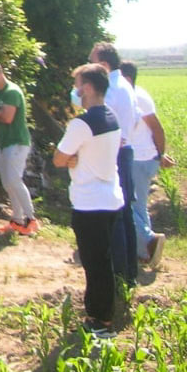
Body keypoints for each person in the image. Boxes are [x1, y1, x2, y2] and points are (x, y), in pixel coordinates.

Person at [53, 63, 124, 337]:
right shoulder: (112, 117)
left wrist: (72, 158)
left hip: (89, 203)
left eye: (78, 84)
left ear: (90, 88)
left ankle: (102, 321)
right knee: (102, 262)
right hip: (110, 199)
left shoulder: (82, 123)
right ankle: (98, 314)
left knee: (96, 266)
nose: (75, 90)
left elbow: (59, 158)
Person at [89, 42, 138, 285]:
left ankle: (118, 273)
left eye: (92, 62)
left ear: (104, 65)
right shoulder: (126, 87)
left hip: (115, 153)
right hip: (126, 151)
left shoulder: (111, 89)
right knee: (125, 213)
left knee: (116, 214)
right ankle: (130, 271)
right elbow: (135, 122)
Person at [119, 60, 169, 270]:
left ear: (127, 78)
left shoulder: (134, 97)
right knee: (139, 208)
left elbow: (157, 129)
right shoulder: (139, 94)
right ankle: (144, 253)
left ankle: (149, 242)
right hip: (146, 159)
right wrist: (159, 155)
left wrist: (160, 155)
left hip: (138, 160)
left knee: (127, 205)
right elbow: (157, 130)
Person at [0, 60, 37, 235]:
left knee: (14, 180)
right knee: (7, 183)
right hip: (3, 142)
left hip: (17, 142)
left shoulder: (12, 92)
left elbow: (7, 118)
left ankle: (31, 219)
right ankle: (17, 220)